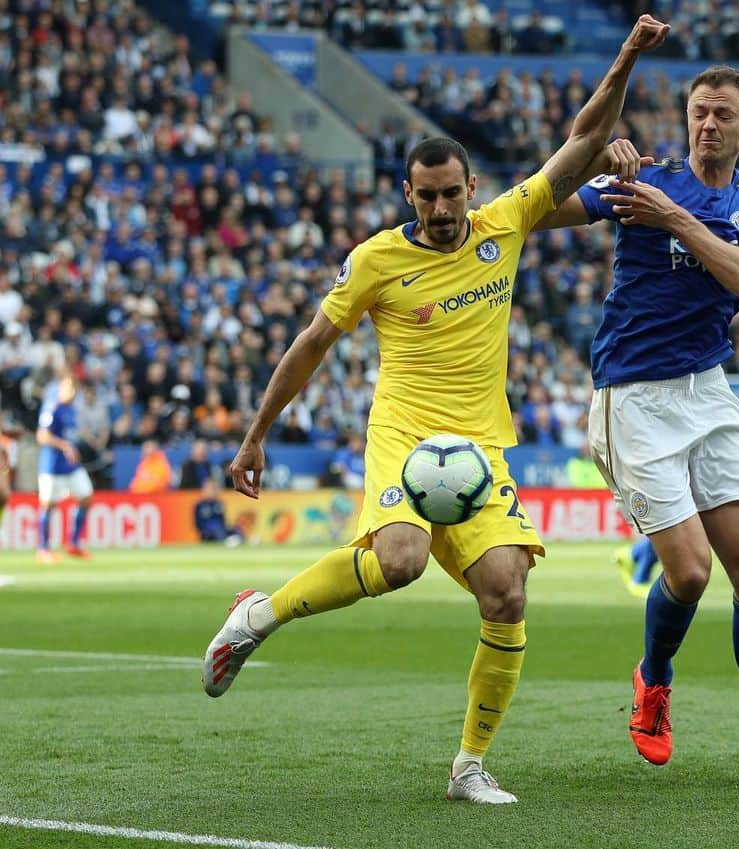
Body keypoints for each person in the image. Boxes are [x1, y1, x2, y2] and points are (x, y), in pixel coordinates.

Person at [200, 15, 670, 805]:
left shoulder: (506, 225)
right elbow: (314, 341)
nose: (444, 208)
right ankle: (258, 615)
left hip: (479, 445)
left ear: (471, 189)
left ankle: (468, 767)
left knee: (508, 590)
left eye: (454, 193)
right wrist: (256, 434)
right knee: (400, 562)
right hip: (405, 433)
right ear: (408, 194)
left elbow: (586, 135)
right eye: (430, 196)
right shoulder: (377, 259)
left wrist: (624, 56)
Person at [535, 65, 739, 787]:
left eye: (723, 113)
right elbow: (537, 208)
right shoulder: (641, 181)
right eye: (699, 111)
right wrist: (590, 154)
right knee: (691, 569)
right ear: (686, 116)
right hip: (633, 394)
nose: (709, 123)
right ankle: (655, 677)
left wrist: (673, 219)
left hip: (707, 389)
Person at [36, 375, 94, 563]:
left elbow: (71, 436)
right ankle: (43, 549)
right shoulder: (52, 408)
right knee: (48, 505)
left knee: (86, 497)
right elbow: (42, 436)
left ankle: (74, 543)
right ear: (61, 388)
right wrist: (65, 446)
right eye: (70, 387)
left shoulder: (71, 410)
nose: (73, 392)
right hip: (52, 466)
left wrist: (76, 446)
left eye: (75, 388)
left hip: (71, 466)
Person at [194, 478, 243, 546]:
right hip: (208, 532)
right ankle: (227, 543)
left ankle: (243, 541)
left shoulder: (219, 504)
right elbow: (197, 524)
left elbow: (223, 520)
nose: (211, 491)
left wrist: (227, 527)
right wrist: (205, 530)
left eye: (213, 489)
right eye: (209, 489)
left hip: (221, 528)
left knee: (235, 529)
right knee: (217, 531)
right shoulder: (200, 505)